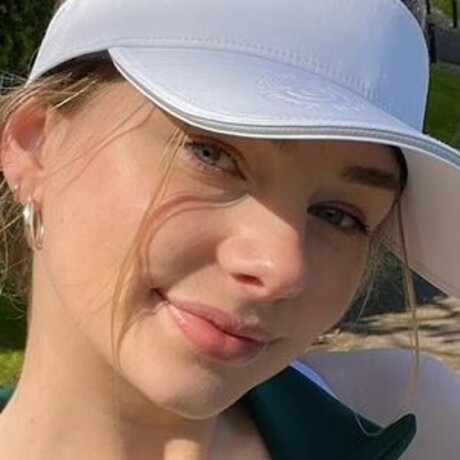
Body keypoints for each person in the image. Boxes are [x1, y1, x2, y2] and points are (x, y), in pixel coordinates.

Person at [0, 0, 459, 458]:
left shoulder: (413, 420)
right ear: (34, 145)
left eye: (338, 215)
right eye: (211, 155)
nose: (283, 267)